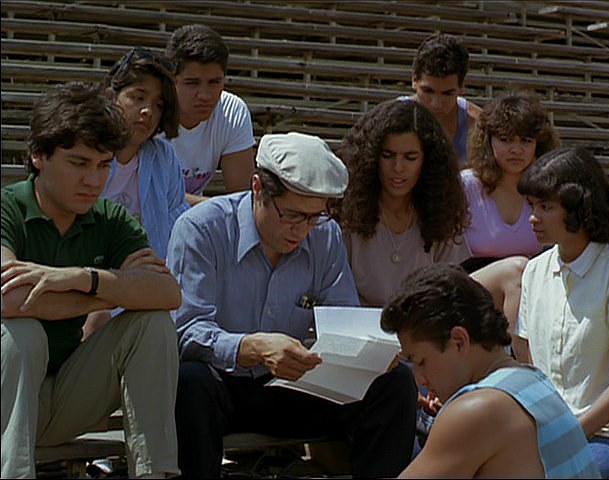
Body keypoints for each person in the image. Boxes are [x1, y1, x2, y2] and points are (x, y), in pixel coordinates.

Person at [166, 131, 417, 478]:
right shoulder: (202, 229)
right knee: (189, 381)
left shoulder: (324, 234)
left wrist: (370, 354)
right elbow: (184, 332)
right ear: (257, 189)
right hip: (221, 385)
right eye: (292, 216)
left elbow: (343, 321)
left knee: (395, 383)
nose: (302, 229)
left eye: (314, 217)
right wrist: (251, 347)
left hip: (295, 386)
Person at [1, 83, 181, 479]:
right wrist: (108, 295)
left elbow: (167, 293)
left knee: (152, 324)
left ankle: (154, 474)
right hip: (5, 400)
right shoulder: (7, 208)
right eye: (79, 163)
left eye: (103, 165)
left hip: (61, 398)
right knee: (22, 334)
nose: (93, 180)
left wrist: (85, 278)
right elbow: (9, 300)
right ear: (38, 156)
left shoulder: (109, 219)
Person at [337, 98, 528, 451]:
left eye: (410, 157)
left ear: (427, 160)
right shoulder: (347, 213)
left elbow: (446, 296)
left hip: (423, 340)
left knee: (515, 270)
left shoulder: (441, 210)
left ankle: (519, 386)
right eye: (388, 155)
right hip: (363, 343)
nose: (398, 169)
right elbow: (340, 307)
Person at [381, 263, 601, 479]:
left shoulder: (476, 410)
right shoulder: (532, 379)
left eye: (421, 362)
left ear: (459, 341)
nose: (420, 380)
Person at [515, 146, 609, 479]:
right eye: (531, 205)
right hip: (552, 432)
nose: (533, 217)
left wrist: (569, 437)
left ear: (580, 208)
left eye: (546, 207)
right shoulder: (534, 271)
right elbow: (528, 362)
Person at [102, 47, 189, 260]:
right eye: (138, 97)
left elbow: (177, 224)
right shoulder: (87, 150)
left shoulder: (164, 157)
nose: (148, 111)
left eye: (158, 105)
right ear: (111, 97)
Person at [462, 89, 560, 272]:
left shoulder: (549, 190)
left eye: (526, 141)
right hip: (471, 281)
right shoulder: (466, 185)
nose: (516, 149)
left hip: (529, 281)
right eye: (506, 140)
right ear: (488, 141)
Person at [165, 24, 255, 204]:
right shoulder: (151, 111)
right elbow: (153, 195)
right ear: (171, 80)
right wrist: (215, 208)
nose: (205, 95)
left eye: (214, 82)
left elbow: (242, 197)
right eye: (192, 83)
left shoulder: (232, 112)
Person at [408, 32, 482, 164]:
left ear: (461, 88)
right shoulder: (391, 120)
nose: (436, 104)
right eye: (428, 91)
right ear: (414, 80)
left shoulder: (477, 126)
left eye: (447, 93)